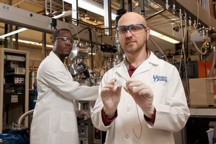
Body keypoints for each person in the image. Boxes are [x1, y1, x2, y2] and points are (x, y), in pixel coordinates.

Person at [91, 12, 190, 144]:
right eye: (122, 30)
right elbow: (97, 122)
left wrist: (151, 111)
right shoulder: (110, 75)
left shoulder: (168, 71)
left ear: (147, 33)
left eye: (135, 28)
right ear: (118, 36)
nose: (128, 34)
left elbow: (181, 118)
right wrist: (108, 112)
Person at [30, 28, 98, 144]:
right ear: (53, 42)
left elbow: (60, 97)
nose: (68, 43)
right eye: (64, 39)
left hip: (59, 126)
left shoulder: (61, 66)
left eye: (71, 41)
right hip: (50, 129)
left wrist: (76, 111)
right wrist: (103, 90)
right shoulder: (49, 64)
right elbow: (73, 91)